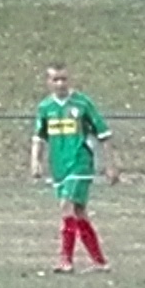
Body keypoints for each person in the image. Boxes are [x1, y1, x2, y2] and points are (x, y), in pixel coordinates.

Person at [32, 63, 111, 273]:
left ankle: (65, 260)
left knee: (66, 205)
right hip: (59, 166)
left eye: (63, 79)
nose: (60, 84)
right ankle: (100, 261)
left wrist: (111, 165)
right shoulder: (45, 107)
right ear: (48, 82)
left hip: (80, 163)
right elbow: (39, 137)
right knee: (79, 212)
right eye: (55, 80)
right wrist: (35, 162)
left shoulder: (82, 103)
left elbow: (104, 134)